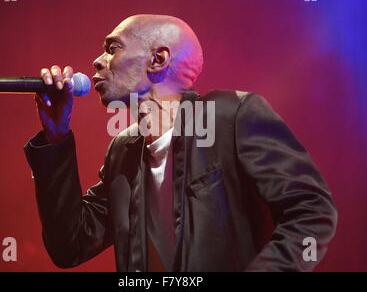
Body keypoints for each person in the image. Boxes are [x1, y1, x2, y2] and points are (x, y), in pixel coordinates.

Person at [23, 14, 337, 272]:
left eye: (112, 48)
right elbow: (71, 245)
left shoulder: (231, 116)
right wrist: (56, 136)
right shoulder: (124, 150)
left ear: (158, 59)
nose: (97, 61)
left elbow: (311, 209)